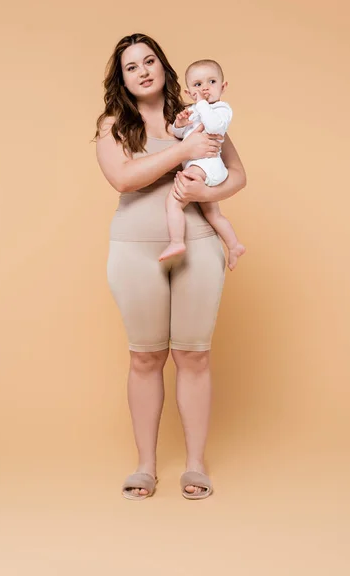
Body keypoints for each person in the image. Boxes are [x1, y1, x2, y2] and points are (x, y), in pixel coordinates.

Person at [94, 33, 246, 500]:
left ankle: (196, 464)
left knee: (194, 355)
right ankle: (145, 466)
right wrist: (182, 152)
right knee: (145, 357)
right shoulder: (113, 123)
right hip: (135, 250)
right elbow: (122, 177)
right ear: (121, 78)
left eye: (149, 60)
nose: (142, 71)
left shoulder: (198, 112)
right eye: (131, 66)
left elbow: (237, 175)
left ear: (163, 66)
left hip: (197, 244)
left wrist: (205, 194)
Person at [159, 59, 246, 268]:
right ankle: (234, 246)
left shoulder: (221, 109)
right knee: (212, 213)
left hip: (207, 166)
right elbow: (176, 133)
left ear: (223, 87)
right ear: (189, 92)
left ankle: (177, 241)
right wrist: (180, 123)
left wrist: (201, 105)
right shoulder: (196, 110)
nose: (205, 88)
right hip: (204, 167)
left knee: (173, 200)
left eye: (212, 82)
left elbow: (214, 127)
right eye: (197, 85)